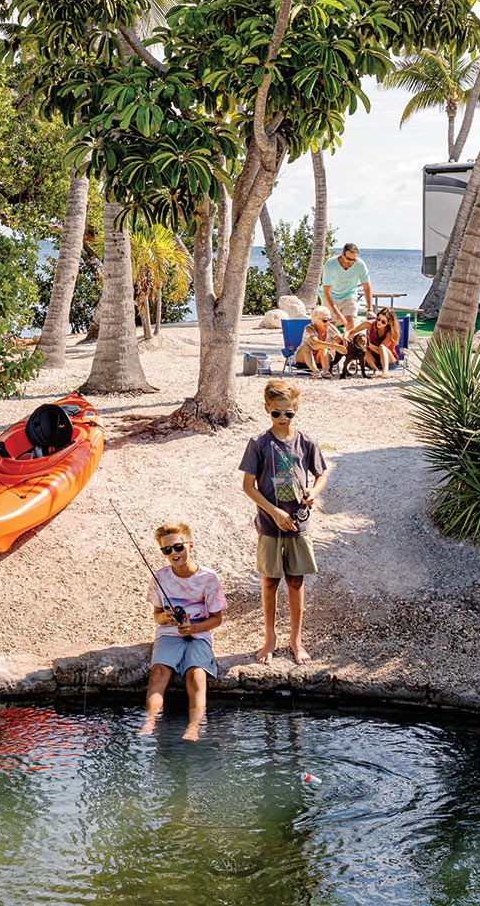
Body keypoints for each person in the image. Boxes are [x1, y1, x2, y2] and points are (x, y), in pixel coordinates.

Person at [239, 379, 329, 665]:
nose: (282, 418)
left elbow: (321, 474)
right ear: (267, 409)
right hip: (269, 525)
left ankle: (296, 640)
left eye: (288, 413)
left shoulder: (307, 442)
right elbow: (248, 486)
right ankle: (270, 638)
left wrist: (313, 492)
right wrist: (274, 513)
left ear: (296, 409)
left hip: (298, 525)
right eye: (276, 413)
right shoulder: (258, 444)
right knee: (269, 581)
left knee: (295, 580)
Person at [141, 521, 226, 741]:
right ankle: (150, 720)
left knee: (197, 674)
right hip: (169, 634)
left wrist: (194, 628)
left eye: (178, 547)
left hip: (199, 634)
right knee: (158, 672)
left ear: (190, 545)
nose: (173, 553)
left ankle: (195, 725)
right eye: (166, 550)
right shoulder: (160, 577)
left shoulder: (208, 578)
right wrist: (165, 618)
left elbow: (216, 619)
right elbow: (157, 616)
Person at [321, 243, 372, 328]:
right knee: (330, 328)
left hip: (349, 296)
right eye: (348, 259)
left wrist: (370, 309)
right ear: (342, 254)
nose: (351, 262)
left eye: (354, 260)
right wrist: (337, 314)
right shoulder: (330, 264)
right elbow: (327, 292)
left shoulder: (360, 265)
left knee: (350, 325)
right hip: (331, 297)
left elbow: (367, 287)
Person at [354, 306, 401, 377]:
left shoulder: (390, 333)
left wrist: (368, 344)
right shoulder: (370, 324)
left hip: (389, 361)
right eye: (378, 319)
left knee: (382, 347)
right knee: (363, 348)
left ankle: (385, 372)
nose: (379, 322)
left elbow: (380, 351)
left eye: (383, 322)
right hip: (373, 359)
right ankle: (376, 370)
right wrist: (345, 337)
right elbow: (351, 331)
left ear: (389, 323)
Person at [295, 309, 345, 375]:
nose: (328, 323)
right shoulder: (309, 329)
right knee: (305, 347)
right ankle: (315, 371)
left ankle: (325, 371)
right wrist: (334, 346)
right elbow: (315, 343)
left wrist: (337, 338)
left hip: (321, 357)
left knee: (323, 348)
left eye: (330, 320)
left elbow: (340, 340)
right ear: (315, 320)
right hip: (304, 357)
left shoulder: (330, 328)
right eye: (325, 320)